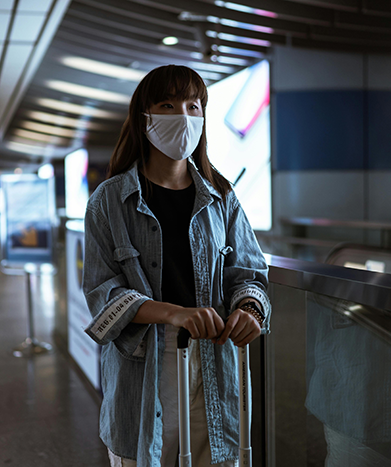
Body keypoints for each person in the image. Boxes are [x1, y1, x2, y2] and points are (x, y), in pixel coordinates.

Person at [83, 64, 271, 467]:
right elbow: (102, 297)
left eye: (193, 105)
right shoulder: (109, 201)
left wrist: (250, 309)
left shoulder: (222, 196)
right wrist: (174, 314)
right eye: (168, 105)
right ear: (143, 118)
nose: (183, 116)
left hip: (215, 359)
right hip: (143, 364)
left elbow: (250, 273)